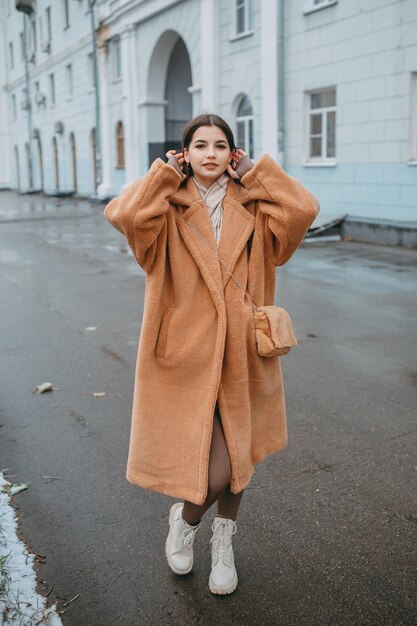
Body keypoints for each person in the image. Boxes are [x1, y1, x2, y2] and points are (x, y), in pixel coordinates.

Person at [104, 113, 320, 595]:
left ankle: (219, 536)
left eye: (221, 146)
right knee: (213, 462)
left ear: (233, 155)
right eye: (199, 145)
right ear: (184, 154)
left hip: (244, 351)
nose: (210, 153)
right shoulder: (166, 207)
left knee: (236, 455)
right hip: (188, 350)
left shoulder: (257, 205)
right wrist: (162, 175)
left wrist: (258, 175)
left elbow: (303, 210)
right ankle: (187, 521)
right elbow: (124, 215)